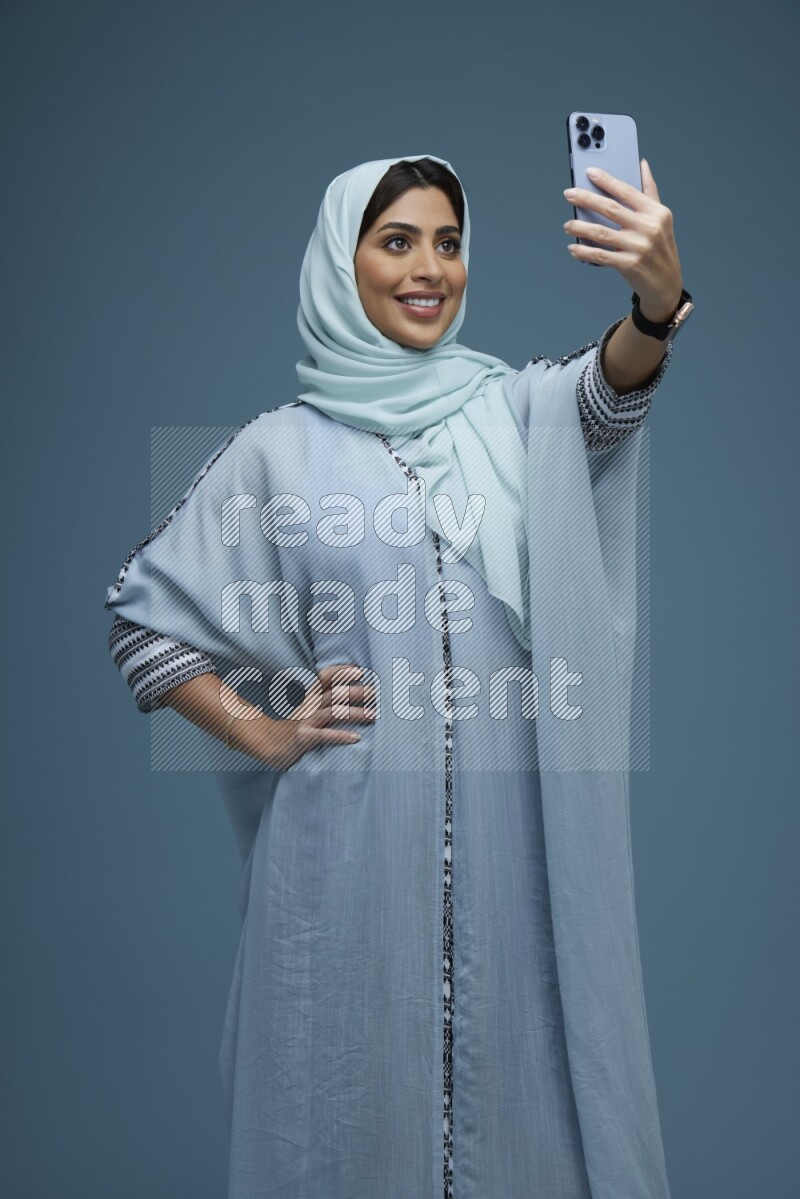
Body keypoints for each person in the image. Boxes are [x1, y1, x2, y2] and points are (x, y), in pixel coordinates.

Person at [104, 153, 689, 1199]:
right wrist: (267, 731)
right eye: (397, 240)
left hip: (521, 886)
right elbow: (145, 622)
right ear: (343, 260)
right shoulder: (275, 453)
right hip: (339, 877)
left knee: (534, 1132)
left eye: (449, 241)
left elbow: (604, 400)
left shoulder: (511, 414)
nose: (429, 268)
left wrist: (652, 303)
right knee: (339, 1131)